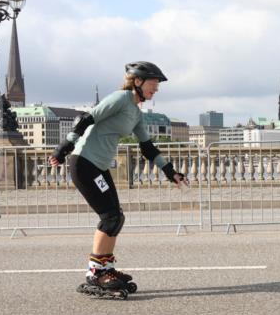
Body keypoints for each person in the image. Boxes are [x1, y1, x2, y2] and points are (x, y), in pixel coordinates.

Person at [49, 61, 188, 299]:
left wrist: (170, 171)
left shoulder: (135, 111)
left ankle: (105, 268)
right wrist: (64, 146)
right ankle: (96, 273)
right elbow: (87, 117)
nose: (156, 90)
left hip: (99, 167)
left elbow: (147, 147)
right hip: (83, 162)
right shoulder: (120, 98)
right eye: (153, 85)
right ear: (137, 82)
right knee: (110, 217)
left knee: (116, 217)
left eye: (157, 86)